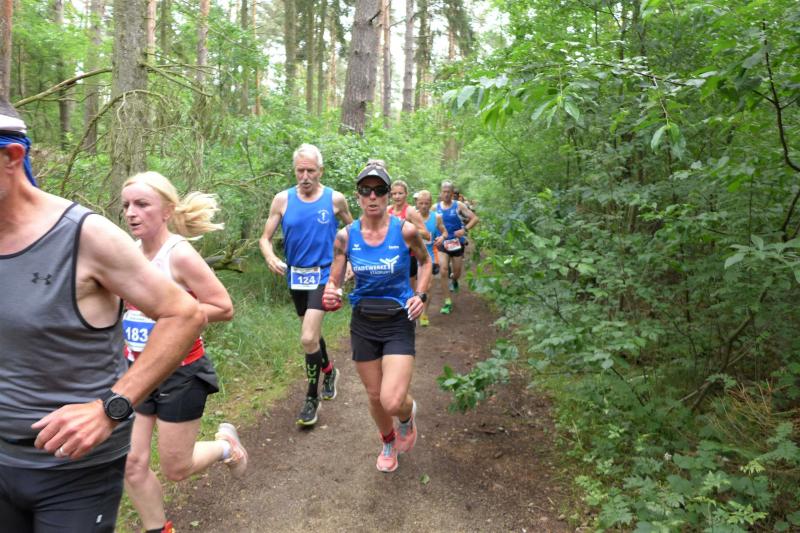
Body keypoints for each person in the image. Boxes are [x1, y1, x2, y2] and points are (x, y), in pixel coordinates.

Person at [0, 99, 205, 532]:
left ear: (11, 157)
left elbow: (184, 314)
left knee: (173, 464)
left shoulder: (84, 236)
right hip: (4, 459)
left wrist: (110, 407)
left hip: (74, 471)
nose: (132, 213)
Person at [121, 172, 246, 533]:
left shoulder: (178, 255)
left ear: (166, 211)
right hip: (138, 371)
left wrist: (171, 316)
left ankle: (225, 446)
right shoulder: (127, 254)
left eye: (142, 204)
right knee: (131, 463)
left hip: (182, 371)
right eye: (126, 205)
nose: (131, 213)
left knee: (176, 469)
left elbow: (223, 307)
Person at [322, 161, 432, 473]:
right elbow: (334, 280)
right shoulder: (345, 237)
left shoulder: (404, 230)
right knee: (374, 395)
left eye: (380, 190)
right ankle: (388, 441)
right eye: (366, 190)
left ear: (387, 195)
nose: (373, 196)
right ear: (357, 196)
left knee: (392, 400)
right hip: (364, 322)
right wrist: (331, 292)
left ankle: (406, 417)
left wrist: (420, 295)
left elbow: (425, 263)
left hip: (398, 319)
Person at [259, 143, 353, 426]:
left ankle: (312, 398)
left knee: (308, 338)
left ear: (320, 170)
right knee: (310, 335)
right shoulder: (282, 200)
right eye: (300, 170)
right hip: (296, 276)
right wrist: (270, 256)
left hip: (324, 275)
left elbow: (354, 231)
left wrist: (349, 264)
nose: (305, 176)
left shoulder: (335, 199)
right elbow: (264, 238)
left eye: (311, 170)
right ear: (294, 170)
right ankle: (329, 370)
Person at [435, 180, 479, 314]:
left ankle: (454, 279)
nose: (446, 194)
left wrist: (464, 229)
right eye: (444, 192)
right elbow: (427, 221)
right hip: (442, 243)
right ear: (440, 193)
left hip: (456, 243)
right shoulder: (435, 207)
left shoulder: (458, 205)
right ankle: (447, 302)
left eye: (449, 192)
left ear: (452, 193)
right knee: (443, 270)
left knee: (457, 272)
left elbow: (475, 218)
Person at [386, 176, 431, 284]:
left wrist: (407, 230)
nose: (397, 196)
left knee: (409, 289)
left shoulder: (410, 211)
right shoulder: (387, 210)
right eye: (394, 193)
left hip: (408, 256)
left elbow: (426, 234)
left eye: (400, 193)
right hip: (390, 255)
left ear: (406, 194)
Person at [414, 189, 447, 326]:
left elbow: (444, 231)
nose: (423, 206)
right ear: (417, 203)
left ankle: (424, 313)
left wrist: (442, 237)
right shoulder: (412, 216)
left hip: (430, 255)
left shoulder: (437, 217)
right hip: (413, 255)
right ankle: (413, 310)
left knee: (427, 287)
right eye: (421, 203)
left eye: (426, 203)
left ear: (430, 203)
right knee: (415, 287)